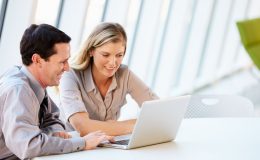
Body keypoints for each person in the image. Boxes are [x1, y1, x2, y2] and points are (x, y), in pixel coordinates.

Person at [0, 24, 112, 160]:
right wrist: (83, 143)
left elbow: (53, 118)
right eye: (62, 62)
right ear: (37, 60)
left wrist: (54, 133)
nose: (67, 68)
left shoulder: (33, 83)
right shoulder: (18, 90)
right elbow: (29, 146)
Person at [59, 22, 159, 137]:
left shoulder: (124, 74)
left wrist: (116, 127)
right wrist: (134, 125)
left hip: (106, 147)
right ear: (91, 51)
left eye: (119, 55)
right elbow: (83, 127)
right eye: (106, 55)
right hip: (71, 148)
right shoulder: (70, 75)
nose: (113, 63)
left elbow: (157, 110)